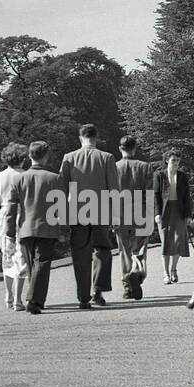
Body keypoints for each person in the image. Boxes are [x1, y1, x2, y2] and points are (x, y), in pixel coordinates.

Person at [59, 123, 120, 310]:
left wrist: (62, 219)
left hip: (77, 213)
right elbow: (114, 190)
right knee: (102, 251)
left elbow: (61, 190)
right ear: (96, 137)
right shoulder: (107, 158)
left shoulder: (69, 158)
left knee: (80, 255)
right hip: (101, 212)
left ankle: (83, 297)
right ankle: (98, 290)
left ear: (80, 138)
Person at [5, 141, 68, 314]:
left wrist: (10, 232)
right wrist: (64, 230)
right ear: (46, 156)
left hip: (25, 229)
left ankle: (36, 299)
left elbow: (10, 209)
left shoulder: (18, 179)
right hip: (47, 228)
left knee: (35, 265)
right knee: (41, 263)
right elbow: (62, 207)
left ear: (30, 156)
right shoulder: (55, 178)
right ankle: (34, 300)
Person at [0, 141, 31, 311]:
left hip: (4, 218)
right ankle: (18, 299)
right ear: (22, 159)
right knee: (21, 257)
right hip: (23, 217)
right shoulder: (26, 176)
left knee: (7, 256)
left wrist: (1, 213)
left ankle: (9, 296)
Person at [113, 135, 157, 292]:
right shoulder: (145, 167)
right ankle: (136, 273)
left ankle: (127, 286)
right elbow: (149, 193)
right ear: (135, 149)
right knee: (139, 249)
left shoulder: (114, 167)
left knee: (124, 251)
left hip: (120, 214)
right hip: (141, 213)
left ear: (120, 149)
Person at [154, 149, 191, 283]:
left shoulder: (182, 176)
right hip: (165, 211)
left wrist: (188, 215)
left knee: (178, 242)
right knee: (166, 243)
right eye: (173, 160)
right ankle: (165, 273)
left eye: (178, 160)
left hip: (179, 211)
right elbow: (156, 195)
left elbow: (187, 197)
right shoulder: (159, 175)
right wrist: (157, 213)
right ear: (167, 161)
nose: (176, 163)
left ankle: (174, 269)